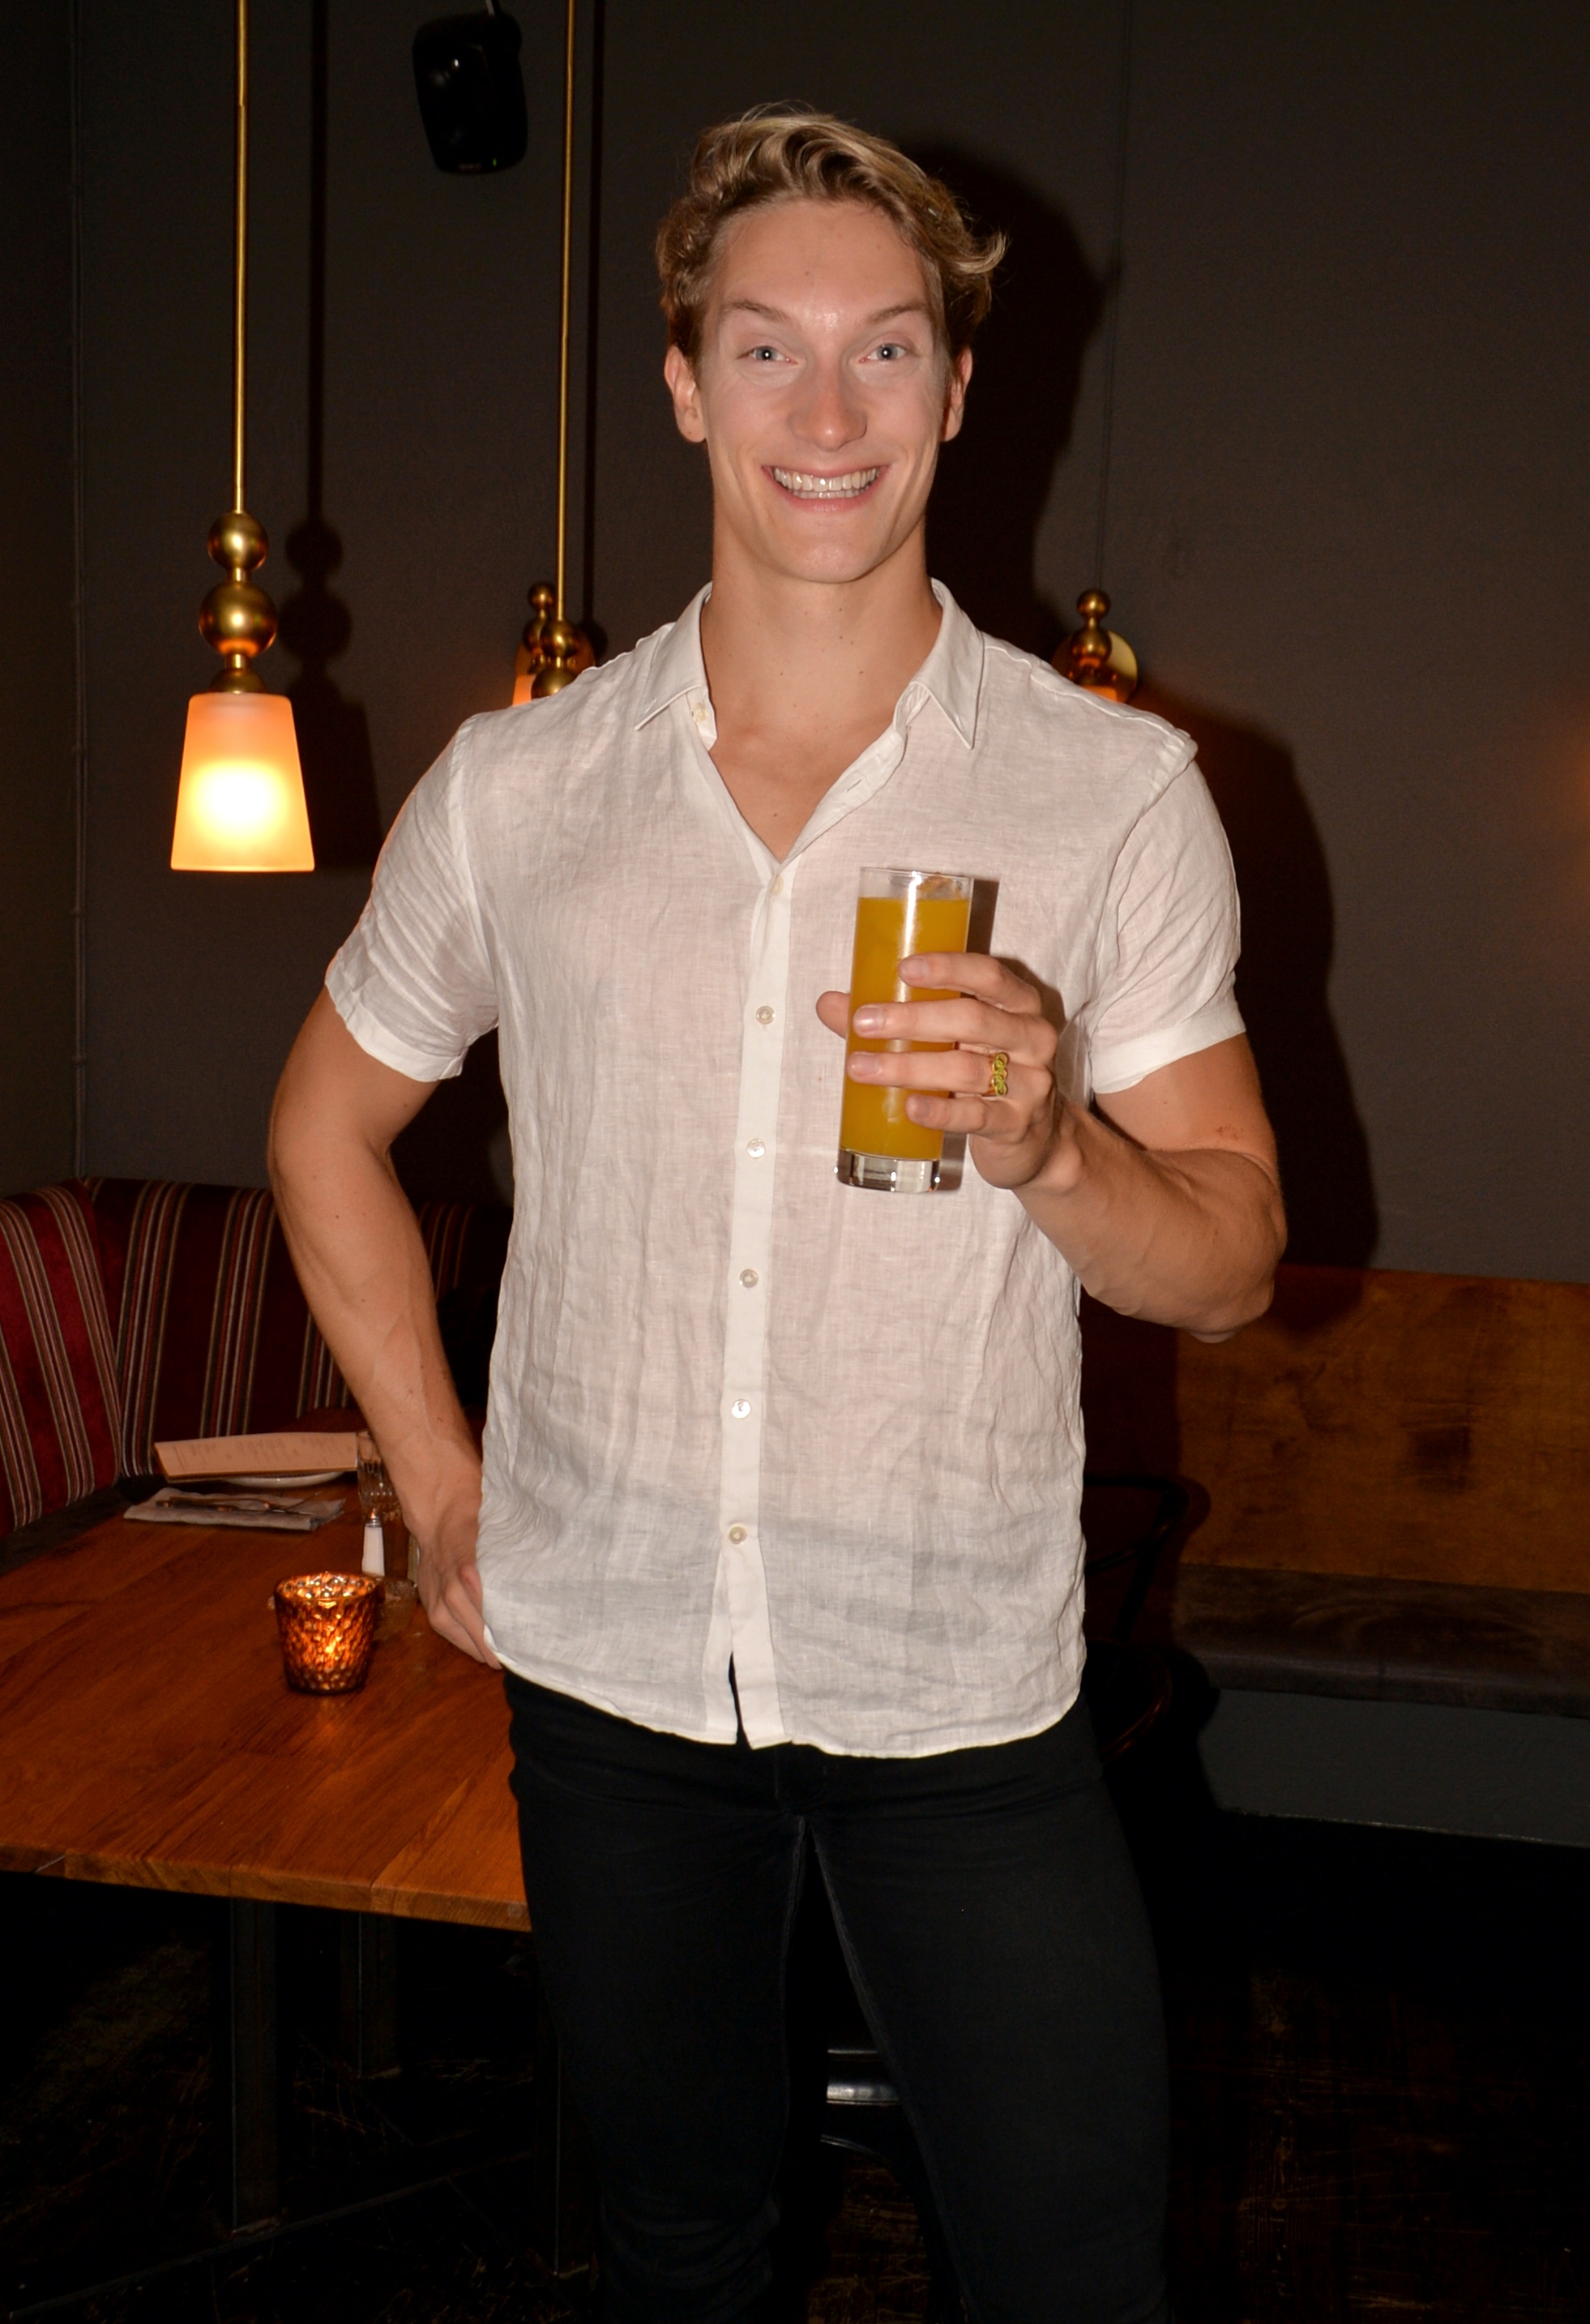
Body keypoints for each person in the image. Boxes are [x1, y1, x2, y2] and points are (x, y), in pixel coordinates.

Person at [270, 109, 1284, 2324]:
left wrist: (1055, 1147)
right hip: (613, 1669)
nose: (826, 411)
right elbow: (323, 1125)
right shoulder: (520, 789)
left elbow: (1229, 1263)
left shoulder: (1110, 793)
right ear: (680, 383)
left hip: (957, 1678)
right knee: (677, 2251)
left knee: (1073, 2271)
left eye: (884, 347)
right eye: (764, 347)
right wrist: (438, 1480)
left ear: (957, 389)